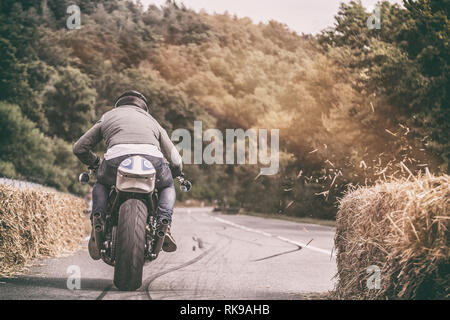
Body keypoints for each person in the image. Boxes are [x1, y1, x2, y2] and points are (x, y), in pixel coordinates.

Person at [73, 90, 183, 260]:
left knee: (101, 183)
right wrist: (174, 173)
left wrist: (96, 163)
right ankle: (164, 223)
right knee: (167, 185)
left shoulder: (108, 116)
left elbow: (79, 147)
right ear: (143, 108)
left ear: (119, 105)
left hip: (116, 160)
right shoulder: (152, 121)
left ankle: (98, 220)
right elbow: (175, 161)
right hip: (152, 160)